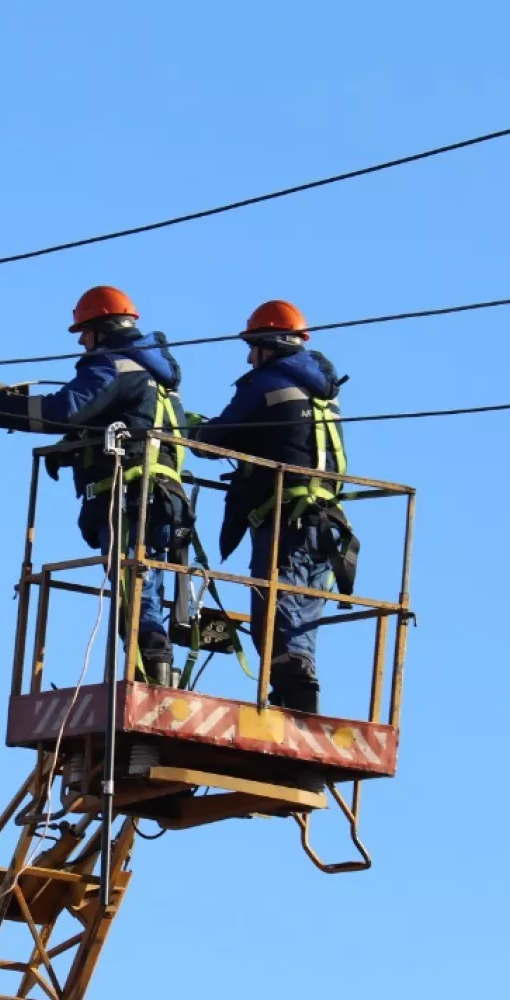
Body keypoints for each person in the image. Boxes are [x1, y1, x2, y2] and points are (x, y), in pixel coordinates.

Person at [0, 285, 190, 684]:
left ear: (103, 328)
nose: (82, 341)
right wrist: (72, 448)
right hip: (162, 499)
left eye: (85, 331)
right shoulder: (158, 378)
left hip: (127, 497)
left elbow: (62, 410)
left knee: (133, 591)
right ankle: (157, 671)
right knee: (145, 585)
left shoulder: (111, 364)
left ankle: (151, 676)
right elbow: (125, 424)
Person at [189, 300, 351, 714]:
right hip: (327, 527)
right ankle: (296, 710)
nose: (248, 357)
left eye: (252, 347)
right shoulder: (323, 393)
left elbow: (219, 438)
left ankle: (293, 710)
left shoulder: (264, 384)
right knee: (301, 630)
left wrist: (190, 428)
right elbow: (285, 440)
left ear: (270, 344)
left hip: (286, 524)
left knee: (275, 627)